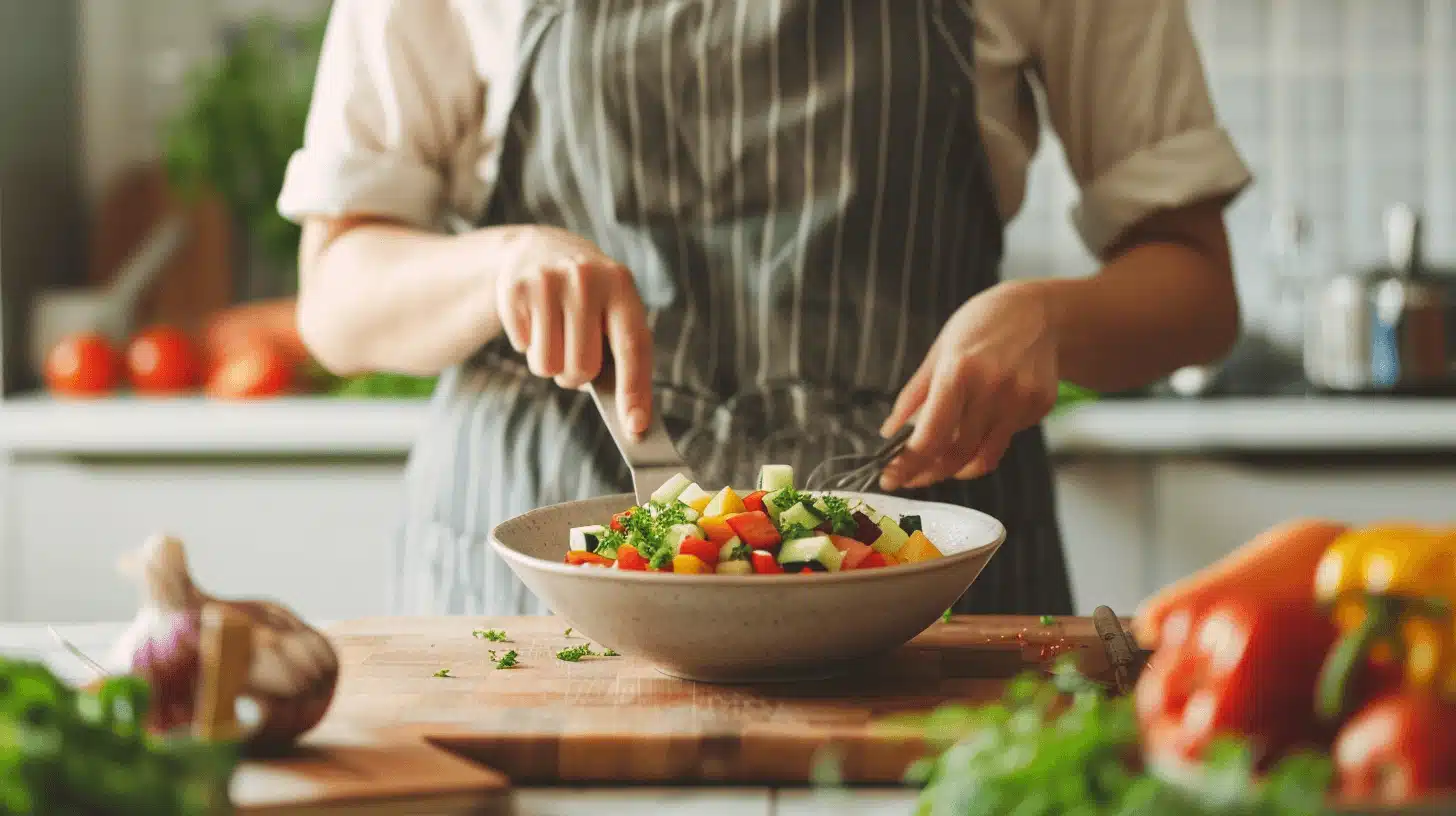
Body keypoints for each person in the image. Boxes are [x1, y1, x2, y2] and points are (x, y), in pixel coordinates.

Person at [279, 0, 1249, 617]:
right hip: (537, 593)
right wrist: (497, 268)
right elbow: (336, 298)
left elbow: (1196, 292)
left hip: (924, 595)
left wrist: (1050, 316)